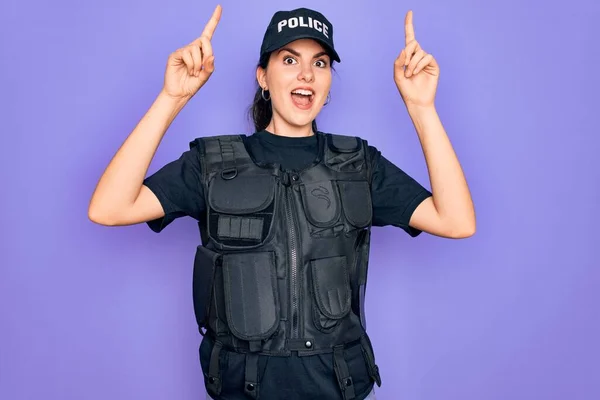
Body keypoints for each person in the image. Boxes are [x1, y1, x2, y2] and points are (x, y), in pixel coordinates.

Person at [88, 5, 475, 400]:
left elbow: (457, 220)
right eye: (289, 60)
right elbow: (109, 207)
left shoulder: (358, 164)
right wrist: (172, 98)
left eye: (320, 63)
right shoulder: (211, 164)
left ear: (328, 83)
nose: (306, 74)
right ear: (263, 78)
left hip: (339, 388)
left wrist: (422, 108)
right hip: (244, 389)